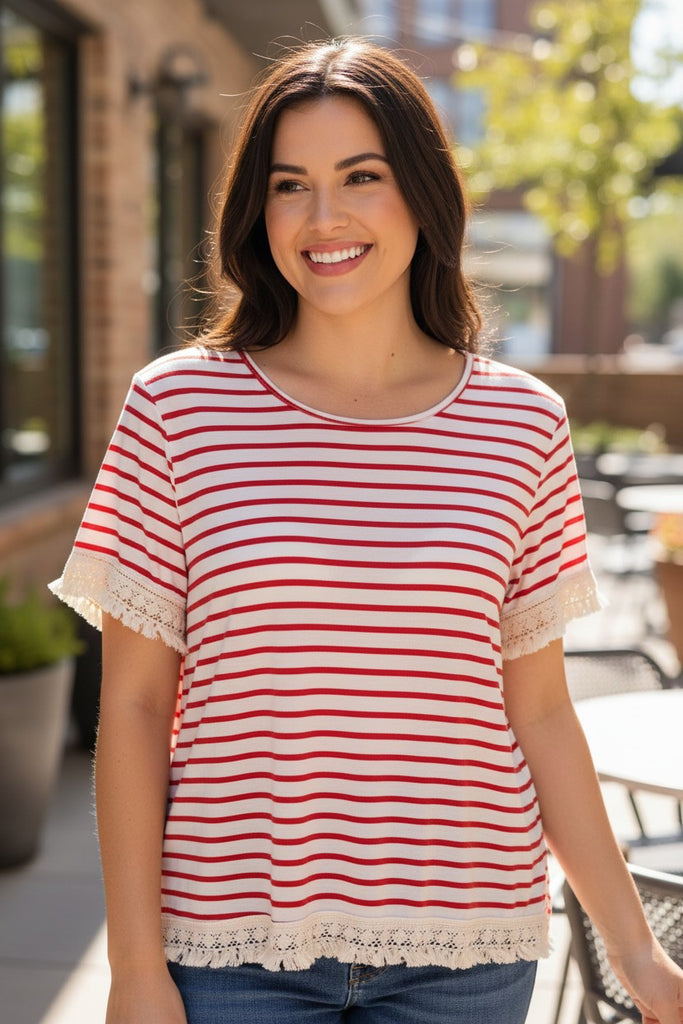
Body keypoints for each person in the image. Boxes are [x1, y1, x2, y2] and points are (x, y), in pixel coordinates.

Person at [50, 37, 683, 1024]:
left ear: (422, 194)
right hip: (228, 948)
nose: (324, 217)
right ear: (256, 211)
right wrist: (134, 968)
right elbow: (132, 710)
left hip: (467, 951)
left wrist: (634, 950)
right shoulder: (176, 410)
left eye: (360, 177)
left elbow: (541, 713)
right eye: (289, 184)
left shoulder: (520, 424)